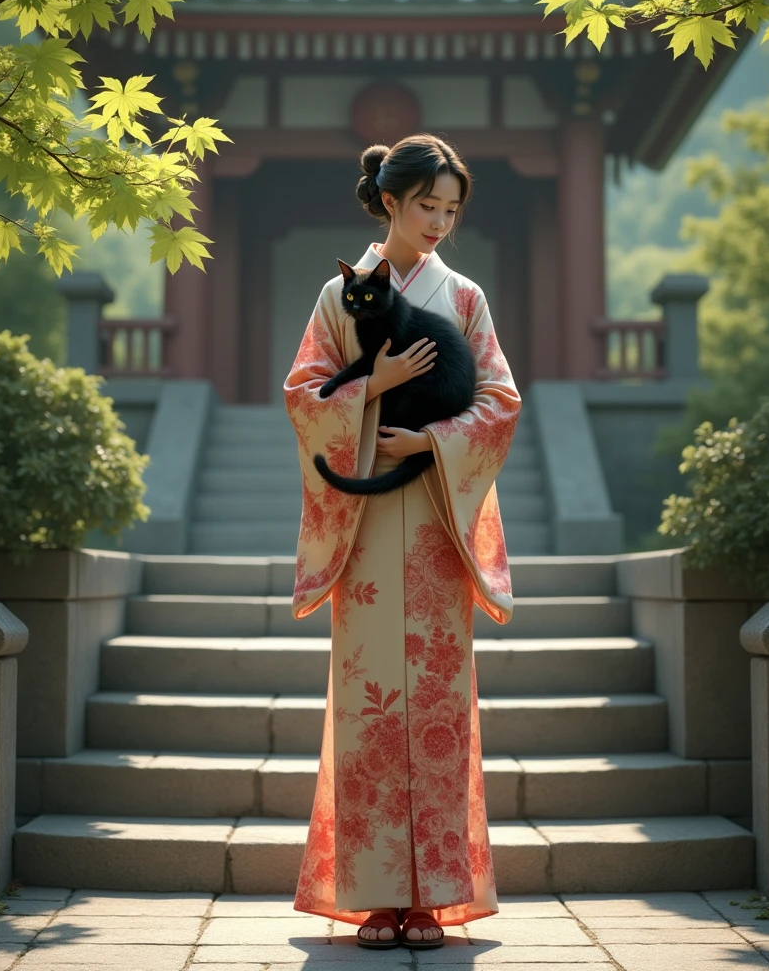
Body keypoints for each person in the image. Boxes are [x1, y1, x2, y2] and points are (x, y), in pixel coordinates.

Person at [283, 133, 521, 949]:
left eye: (451, 210)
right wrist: (374, 391)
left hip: (435, 522)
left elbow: (499, 399)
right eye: (427, 206)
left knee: (438, 708)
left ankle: (434, 898)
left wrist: (428, 444)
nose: (440, 223)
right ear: (388, 201)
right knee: (369, 708)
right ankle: (375, 896)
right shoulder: (335, 297)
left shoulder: (464, 298)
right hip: (369, 523)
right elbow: (304, 392)